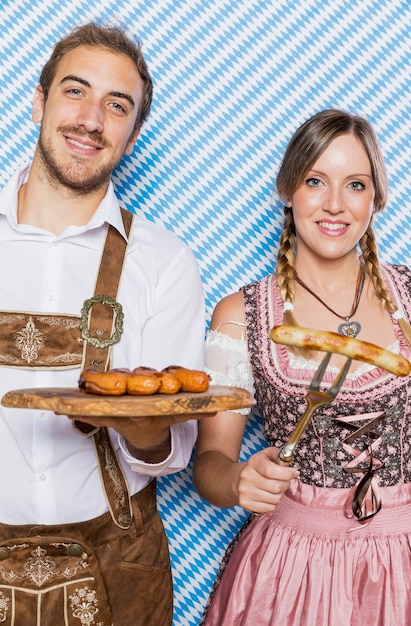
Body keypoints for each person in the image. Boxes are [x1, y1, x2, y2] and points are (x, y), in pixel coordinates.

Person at [0, 22, 209, 625]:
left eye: (116, 106)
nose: (91, 119)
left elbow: (169, 452)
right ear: (39, 101)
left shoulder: (163, 261)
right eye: (75, 92)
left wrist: (142, 425)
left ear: (132, 133)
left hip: (117, 562)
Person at [193, 109, 411, 625]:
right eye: (315, 181)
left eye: (355, 184)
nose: (334, 204)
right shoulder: (238, 316)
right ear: (288, 189)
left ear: (375, 198)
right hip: (293, 569)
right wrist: (238, 481)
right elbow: (210, 462)